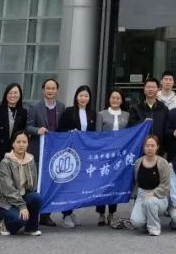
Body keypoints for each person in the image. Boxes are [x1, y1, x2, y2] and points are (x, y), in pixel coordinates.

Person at [0, 83, 27, 226]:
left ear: (20, 95)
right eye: (10, 92)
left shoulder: (23, 112)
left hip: (14, 155)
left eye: (16, 93)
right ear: (6, 94)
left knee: (11, 186)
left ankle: (8, 215)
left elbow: (23, 134)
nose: (13, 95)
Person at [56, 85, 97, 228]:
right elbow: (59, 129)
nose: (83, 98)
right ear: (76, 97)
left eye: (86, 96)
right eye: (81, 96)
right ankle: (66, 214)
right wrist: (70, 132)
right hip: (70, 153)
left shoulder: (92, 113)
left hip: (85, 153)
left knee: (78, 184)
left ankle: (71, 211)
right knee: (69, 182)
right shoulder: (69, 112)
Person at [25, 78, 63, 226]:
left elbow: (63, 128)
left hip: (54, 153)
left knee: (50, 184)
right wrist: (37, 130)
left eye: (53, 88)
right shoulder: (35, 107)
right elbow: (28, 127)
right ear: (43, 90)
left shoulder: (61, 107)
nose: (50, 91)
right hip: (38, 152)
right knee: (35, 184)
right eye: (48, 88)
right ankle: (32, 215)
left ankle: (46, 215)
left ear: (57, 90)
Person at [0, 130, 42, 236]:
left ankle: (30, 228)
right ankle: (6, 224)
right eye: (18, 142)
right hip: (5, 201)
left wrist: (27, 205)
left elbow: (33, 186)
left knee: (36, 197)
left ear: (28, 144)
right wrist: (22, 206)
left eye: (24, 142)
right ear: (13, 144)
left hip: (22, 197)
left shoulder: (30, 160)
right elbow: (8, 190)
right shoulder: (5, 162)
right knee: (21, 220)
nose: (21, 145)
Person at [95, 88, 130, 226]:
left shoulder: (127, 115)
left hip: (119, 155)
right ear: (109, 99)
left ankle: (112, 212)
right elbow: (97, 134)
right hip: (105, 154)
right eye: (113, 98)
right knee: (102, 183)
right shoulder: (101, 114)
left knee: (115, 183)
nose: (115, 100)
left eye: (118, 98)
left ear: (122, 100)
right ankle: (101, 213)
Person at [130, 134, 173, 236]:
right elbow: (136, 182)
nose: (150, 148)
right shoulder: (138, 163)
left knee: (150, 201)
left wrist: (153, 193)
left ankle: (154, 228)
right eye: (147, 145)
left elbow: (166, 186)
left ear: (157, 147)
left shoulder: (163, 163)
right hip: (142, 195)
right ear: (143, 147)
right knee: (136, 222)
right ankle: (148, 219)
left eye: (153, 145)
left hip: (159, 197)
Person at [129, 77, 169, 141]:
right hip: (141, 144)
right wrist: (143, 123)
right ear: (144, 89)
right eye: (148, 87)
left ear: (158, 89)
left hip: (159, 145)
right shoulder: (135, 108)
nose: (150, 89)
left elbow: (167, 129)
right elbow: (131, 128)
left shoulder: (164, 108)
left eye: (153, 87)